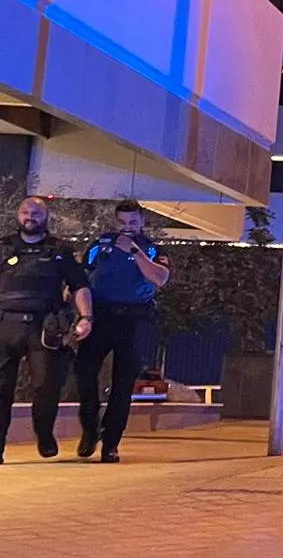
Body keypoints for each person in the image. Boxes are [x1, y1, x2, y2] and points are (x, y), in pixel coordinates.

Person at [74, 200, 169, 463]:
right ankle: (90, 426)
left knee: (123, 382)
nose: (127, 228)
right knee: (84, 371)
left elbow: (160, 278)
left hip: (134, 319)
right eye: (122, 223)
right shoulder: (100, 245)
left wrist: (136, 252)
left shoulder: (151, 248)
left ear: (141, 222)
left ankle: (111, 442)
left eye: (133, 223)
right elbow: (81, 278)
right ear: (115, 222)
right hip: (101, 315)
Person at [0, 196, 92, 461]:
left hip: (44, 327)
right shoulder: (4, 247)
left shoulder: (59, 249)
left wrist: (86, 317)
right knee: (1, 389)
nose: (30, 217)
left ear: (46, 216)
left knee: (46, 386)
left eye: (37, 213)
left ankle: (44, 433)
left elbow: (79, 285)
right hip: (6, 324)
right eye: (26, 212)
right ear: (18, 214)